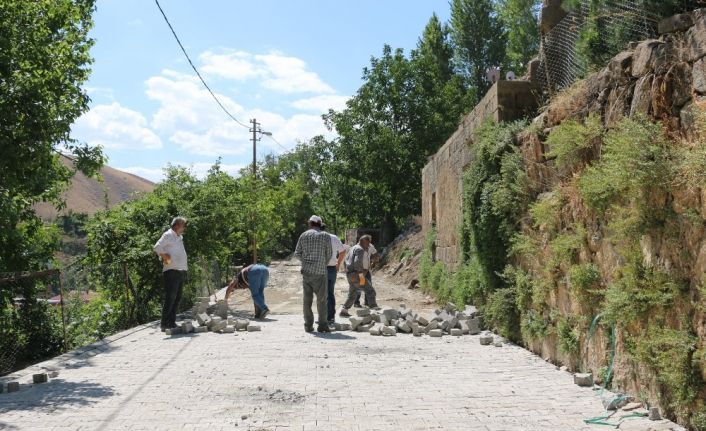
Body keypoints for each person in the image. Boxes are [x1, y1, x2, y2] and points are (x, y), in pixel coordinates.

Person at [294, 215, 332, 333]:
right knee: (321, 300)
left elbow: (297, 254)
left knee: (307, 300)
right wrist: (322, 262)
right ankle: (322, 325)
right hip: (320, 272)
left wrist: (305, 262)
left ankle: (308, 326)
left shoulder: (303, 235)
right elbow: (329, 254)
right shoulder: (325, 236)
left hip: (306, 272)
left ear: (311, 223)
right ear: (319, 224)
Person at [153, 216, 188, 332]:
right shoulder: (168, 234)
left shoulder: (179, 237)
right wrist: (164, 256)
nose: (184, 228)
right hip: (171, 270)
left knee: (177, 298)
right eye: (184, 226)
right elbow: (157, 247)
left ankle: (171, 322)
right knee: (171, 297)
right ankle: (164, 324)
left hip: (180, 270)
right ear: (177, 225)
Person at [339, 235, 379, 317]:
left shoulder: (353, 248)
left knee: (353, 294)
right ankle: (374, 311)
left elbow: (346, 261)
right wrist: (361, 275)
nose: (368, 246)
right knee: (370, 291)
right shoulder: (360, 250)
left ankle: (344, 310)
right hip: (357, 275)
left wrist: (349, 273)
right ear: (364, 241)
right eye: (368, 244)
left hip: (350, 274)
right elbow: (357, 263)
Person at [321, 224, 347, 327]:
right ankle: (331, 317)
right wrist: (338, 264)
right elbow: (343, 251)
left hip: (322, 269)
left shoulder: (318, 238)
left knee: (322, 294)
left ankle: (324, 318)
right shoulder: (334, 237)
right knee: (330, 293)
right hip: (332, 269)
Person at [353, 240, 378, 307]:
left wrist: (374, 263)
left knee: (368, 286)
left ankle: (367, 302)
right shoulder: (357, 248)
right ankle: (356, 302)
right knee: (360, 286)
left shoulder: (370, 246)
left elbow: (375, 254)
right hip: (360, 271)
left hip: (366, 271)